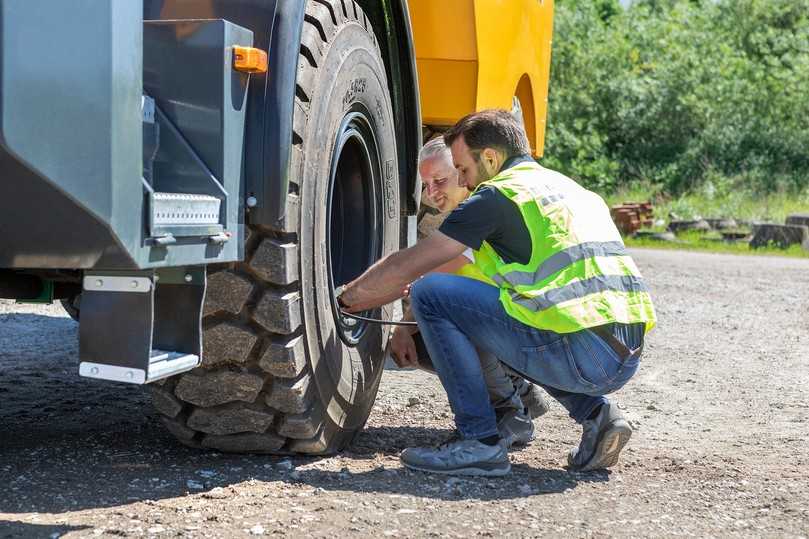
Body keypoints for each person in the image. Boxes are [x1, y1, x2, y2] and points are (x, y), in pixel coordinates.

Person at [338, 109, 656, 476]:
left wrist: (346, 299)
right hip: (624, 350)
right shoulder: (570, 189)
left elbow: (412, 265)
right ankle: (599, 414)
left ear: (490, 158)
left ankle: (480, 442)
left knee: (431, 294)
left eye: (463, 170)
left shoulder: (496, 196)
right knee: (522, 313)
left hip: (580, 352)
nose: (462, 180)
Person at [390, 137, 550, 448]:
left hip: (536, 328)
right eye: (426, 184)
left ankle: (508, 413)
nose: (431, 193)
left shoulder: (480, 210)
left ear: (464, 174)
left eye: (440, 180)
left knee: (435, 327)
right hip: (524, 322)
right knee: (434, 321)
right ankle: (521, 393)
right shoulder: (473, 206)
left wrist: (402, 328)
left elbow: (442, 278)